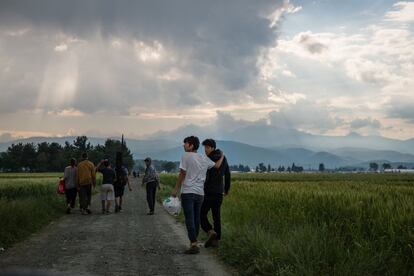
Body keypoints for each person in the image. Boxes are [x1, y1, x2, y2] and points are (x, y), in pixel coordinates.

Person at [171, 136, 224, 254]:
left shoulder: (185, 156)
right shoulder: (203, 157)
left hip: (188, 192)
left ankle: (194, 243)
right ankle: (195, 241)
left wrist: (176, 189)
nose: (184, 145)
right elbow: (216, 166)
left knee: (189, 218)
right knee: (196, 218)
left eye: (186, 143)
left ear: (191, 146)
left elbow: (182, 173)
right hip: (200, 193)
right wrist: (222, 156)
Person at [200, 139, 231, 248]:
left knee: (201, 213)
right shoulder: (224, 158)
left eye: (207, 147)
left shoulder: (208, 159)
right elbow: (227, 174)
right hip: (219, 192)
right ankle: (216, 240)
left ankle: (210, 231)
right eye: (204, 148)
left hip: (208, 191)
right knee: (216, 215)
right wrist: (226, 189)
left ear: (213, 148)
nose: (205, 150)